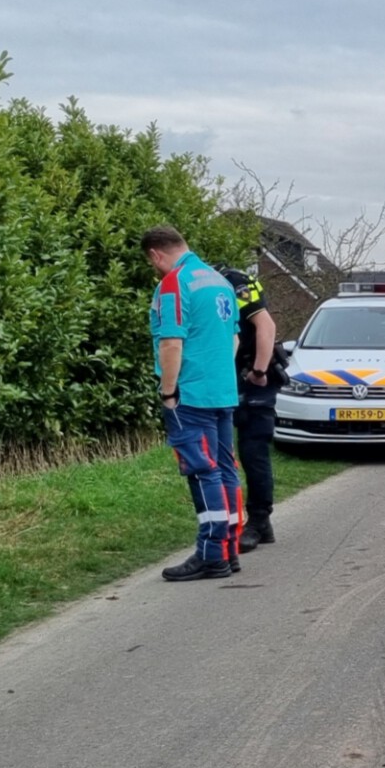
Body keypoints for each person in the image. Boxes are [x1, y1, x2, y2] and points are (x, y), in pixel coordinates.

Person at [143, 226, 242, 581]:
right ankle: (230, 549)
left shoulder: (174, 283)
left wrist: (169, 392)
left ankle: (210, 554)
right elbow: (233, 339)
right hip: (222, 391)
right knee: (226, 469)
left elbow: (170, 343)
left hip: (191, 395)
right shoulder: (220, 281)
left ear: (155, 254)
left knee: (202, 472)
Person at [221, 267, 280, 551]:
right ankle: (236, 521)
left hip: (254, 377)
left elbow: (265, 326)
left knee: (253, 450)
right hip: (229, 378)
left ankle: (257, 521)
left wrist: (258, 370)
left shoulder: (234, 282)